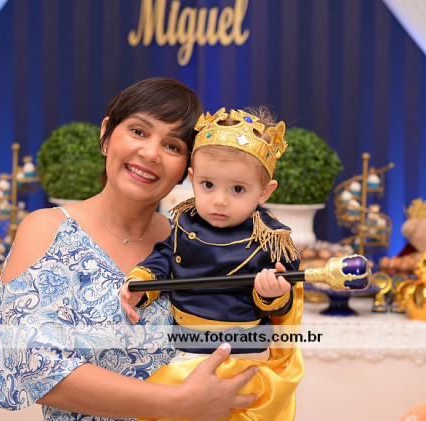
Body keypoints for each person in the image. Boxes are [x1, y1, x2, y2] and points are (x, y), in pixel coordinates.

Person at [0, 78, 259, 421]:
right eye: (138, 131)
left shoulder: (190, 242)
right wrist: (177, 401)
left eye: (172, 146)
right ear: (106, 134)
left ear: (187, 170)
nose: (150, 153)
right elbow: (35, 364)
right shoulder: (48, 229)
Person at [120, 107, 304, 420]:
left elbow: (283, 305)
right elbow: (164, 256)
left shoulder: (271, 238)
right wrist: (142, 284)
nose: (219, 200)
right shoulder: (184, 221)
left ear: (264, 191)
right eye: (208, 185)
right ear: (192, 179)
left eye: (237, 189)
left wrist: (271, 294)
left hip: (243, 354)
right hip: (187, 347)